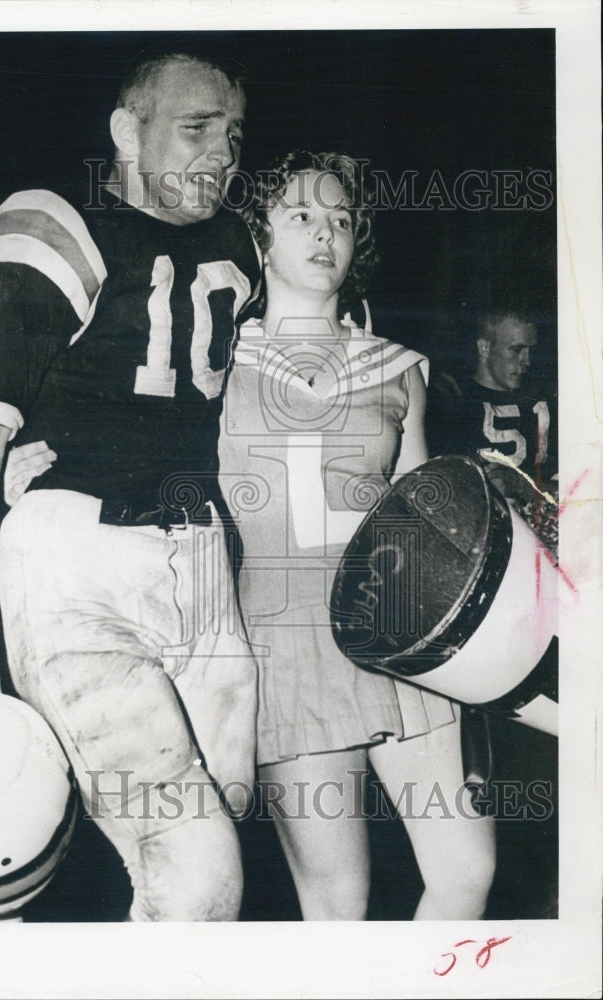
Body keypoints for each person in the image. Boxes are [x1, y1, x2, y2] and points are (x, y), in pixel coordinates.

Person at [0, 51, 261, 922]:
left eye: (232, 133)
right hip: (80, 561)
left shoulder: (240, 244)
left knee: (220, 829)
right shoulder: (57, 224)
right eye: (195, 128)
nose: (220, 152)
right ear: (125, 129)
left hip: (202, 561)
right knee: (197, 871)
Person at [218, 150, 496, 920]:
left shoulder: (399, 367)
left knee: (464, 871)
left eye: (339, 218)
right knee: (337, 900)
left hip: (394, 628)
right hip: (282, 638)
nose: (323, 233)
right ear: (259, 237)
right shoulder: (213, 361)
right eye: (300, 215)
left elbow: (419, 509)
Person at [427, 307, 558, 550]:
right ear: (485, 348)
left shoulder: (547, 398)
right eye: (517, 349)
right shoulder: (452, 403)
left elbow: (581, 488)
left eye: (531, 350)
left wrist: (521, 485)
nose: (527, 361)